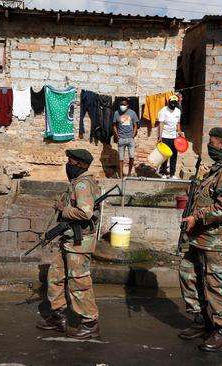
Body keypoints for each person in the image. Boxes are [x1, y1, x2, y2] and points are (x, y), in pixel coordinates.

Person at [178, 127, 222, 352]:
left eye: (211, 142)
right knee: (189, 274)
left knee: (216, 284)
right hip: (201, 237)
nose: (209, 145)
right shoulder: (218, 169)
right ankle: (201, 321)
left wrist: (197, 217)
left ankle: (221, 331)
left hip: (217, 239)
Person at [36, 149, 101, 339]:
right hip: (69, 239)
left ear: (80, 165)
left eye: (70, 161)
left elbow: (85, 213)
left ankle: (90, 323)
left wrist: (63, 210)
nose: (68, 164)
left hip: (79, 242)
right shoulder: (77, 182)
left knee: (79, 282)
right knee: (55, 276)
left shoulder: (82, 184)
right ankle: (58, 316)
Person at [158, 95, 183, 179]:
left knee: (174, 155)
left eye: (175, 102)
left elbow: (178, 123)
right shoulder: (163, 110)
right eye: (172, 102)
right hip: (165, 135)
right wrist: (160, 137)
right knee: (165, 155)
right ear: (168, 102)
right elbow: (161, 124)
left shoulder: (178, 111)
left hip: (174, 136)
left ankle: (172, 174)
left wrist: (179, 133)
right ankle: (164, 173)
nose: (173, 104)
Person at [113, 97, 139, 178]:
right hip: (121, 139)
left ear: (127, 105)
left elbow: (135, 125)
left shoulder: (132, 113)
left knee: (131, 157)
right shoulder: (116, 113)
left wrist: (133, 134)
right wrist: (117, 136)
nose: (122, 106)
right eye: (121, 104)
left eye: (124, 104)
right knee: (121, 158)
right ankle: (121, 175)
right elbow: (114, 125)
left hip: (130, 139)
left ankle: (129, 173)